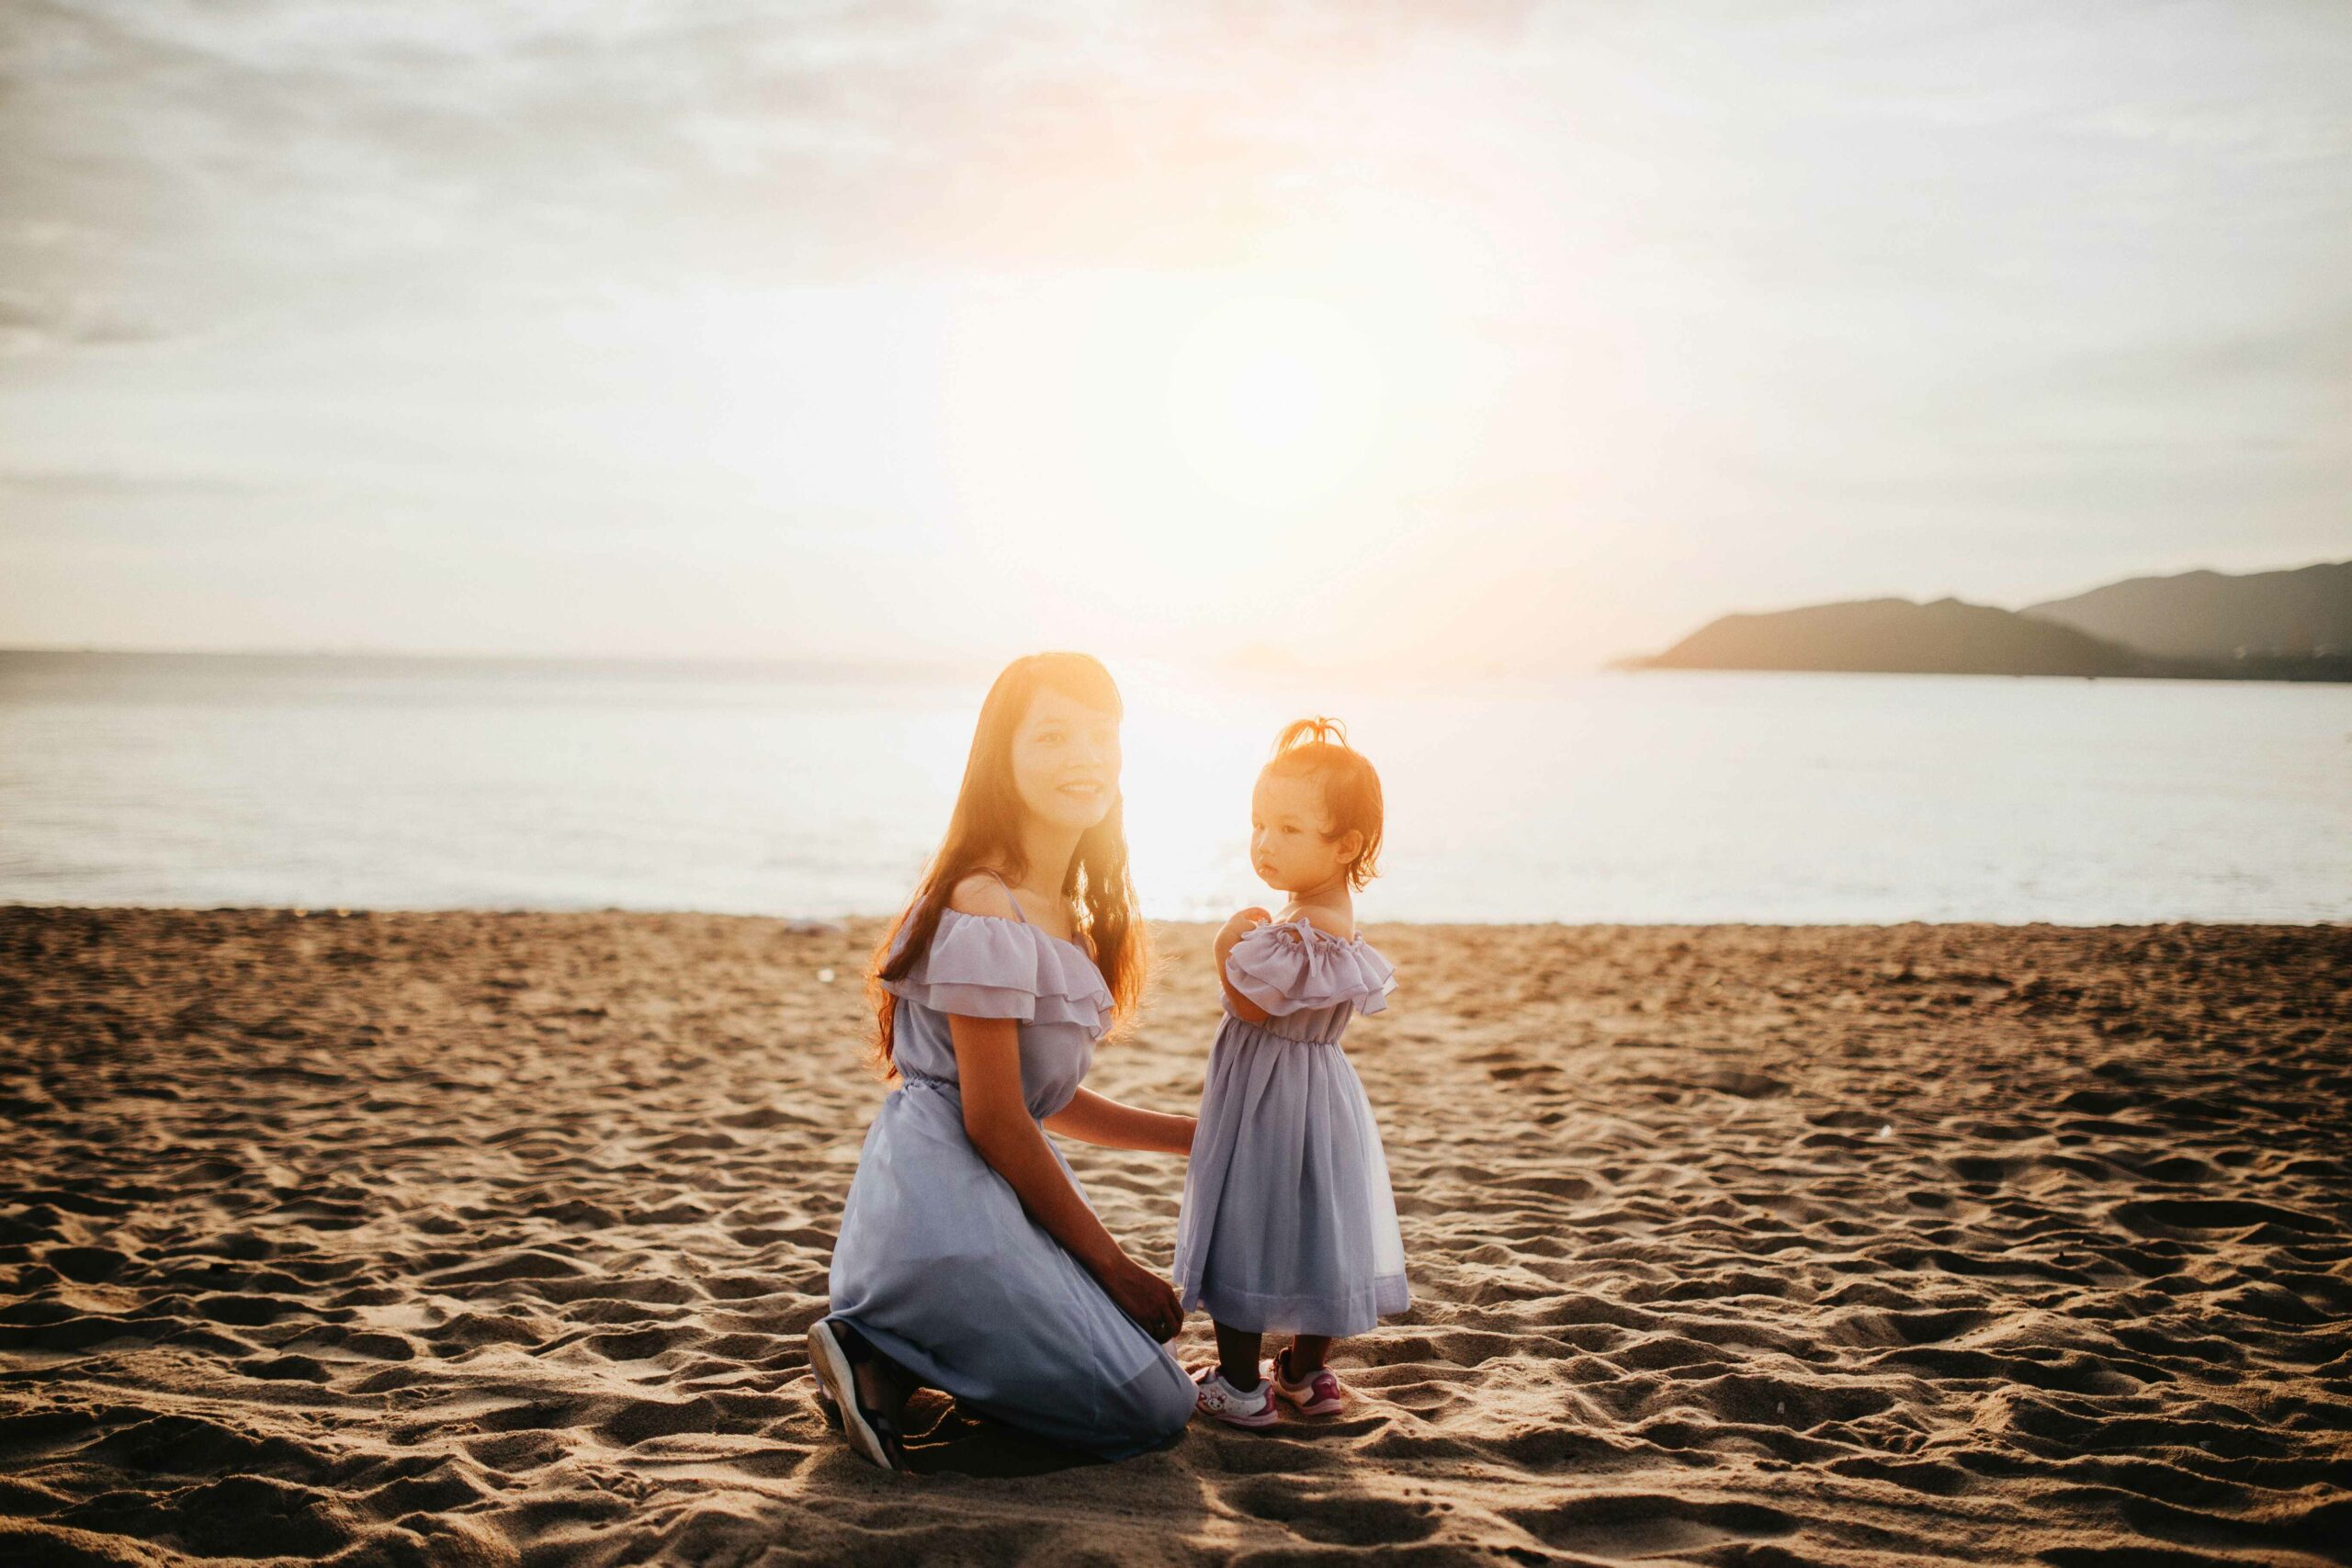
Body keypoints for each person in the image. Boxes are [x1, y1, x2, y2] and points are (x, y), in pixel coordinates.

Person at [809, 652, 1199, 1471]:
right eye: (1053, 736)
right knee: (1156, 1406)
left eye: (1100, 736)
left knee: (1148, 1376)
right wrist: (1116, 1265)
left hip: (977, 1187)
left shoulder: (1070, 915)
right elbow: (993, 1119)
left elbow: (1042, 1100)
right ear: (1003, 757)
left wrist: (1192, 1137)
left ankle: (896, 1365)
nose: (1083, 756)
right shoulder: (986, 902)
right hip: (941, 1205)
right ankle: (883, 1347)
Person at [1172, 716, 1409, 1427]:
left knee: (1247, 1217)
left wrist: (1224, 945)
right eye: (1258, 824)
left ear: (1346, 846)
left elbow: (1253, 1000)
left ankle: (1241, 1384)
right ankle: (1306, 1371)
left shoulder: (1310, 928)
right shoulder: (1322, 916)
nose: (1264, 844)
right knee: (1319, 1222)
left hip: (1270, 1093)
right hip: (1317, 1091)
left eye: (1288, 829)